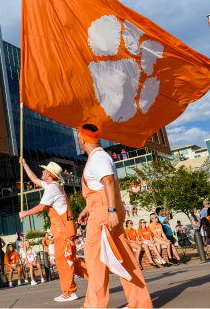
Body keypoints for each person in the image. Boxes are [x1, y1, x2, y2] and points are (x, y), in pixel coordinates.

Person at [76, 124, 152, 308]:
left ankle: (94, 306)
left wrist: (109, 211)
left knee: (95, 260)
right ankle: (139, 303)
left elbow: (108, 181)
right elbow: (100, 189)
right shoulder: (99, 157)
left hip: (104, 212)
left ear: (82, 140)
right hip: (105, 209)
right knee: (124, 257)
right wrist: (87, 210)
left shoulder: (98, 158)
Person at [19, 158, 89, 302]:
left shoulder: (52, 188)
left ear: (50, 174)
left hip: (62, 230)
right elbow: (35, 180)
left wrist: (25, 213)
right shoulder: (54, 186)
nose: (42, 172)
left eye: (45, 170)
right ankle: (97, 279)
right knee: (70, 260)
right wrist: (25, 164)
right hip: (64, 229)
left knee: (63, 261)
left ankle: (69, 292)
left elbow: (40, 207)